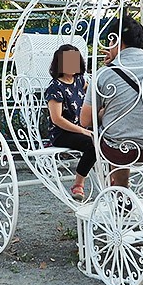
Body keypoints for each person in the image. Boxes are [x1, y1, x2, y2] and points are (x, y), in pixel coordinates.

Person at [80, 15, 143, 189]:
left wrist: (104, 112)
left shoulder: (102, 74)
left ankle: (120, 189)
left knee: (110, 134)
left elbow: (85, 121)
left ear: (116, 40)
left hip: (119, 151)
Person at [44, 44, 95, 201]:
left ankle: (113, 178)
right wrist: (82, 130)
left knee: (108, 137)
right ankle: (78, 184)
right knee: (92, 143)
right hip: (62, 132)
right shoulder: (55, 87)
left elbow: (93, 92)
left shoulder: (79, 80)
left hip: (81, 127)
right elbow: (57, 119)